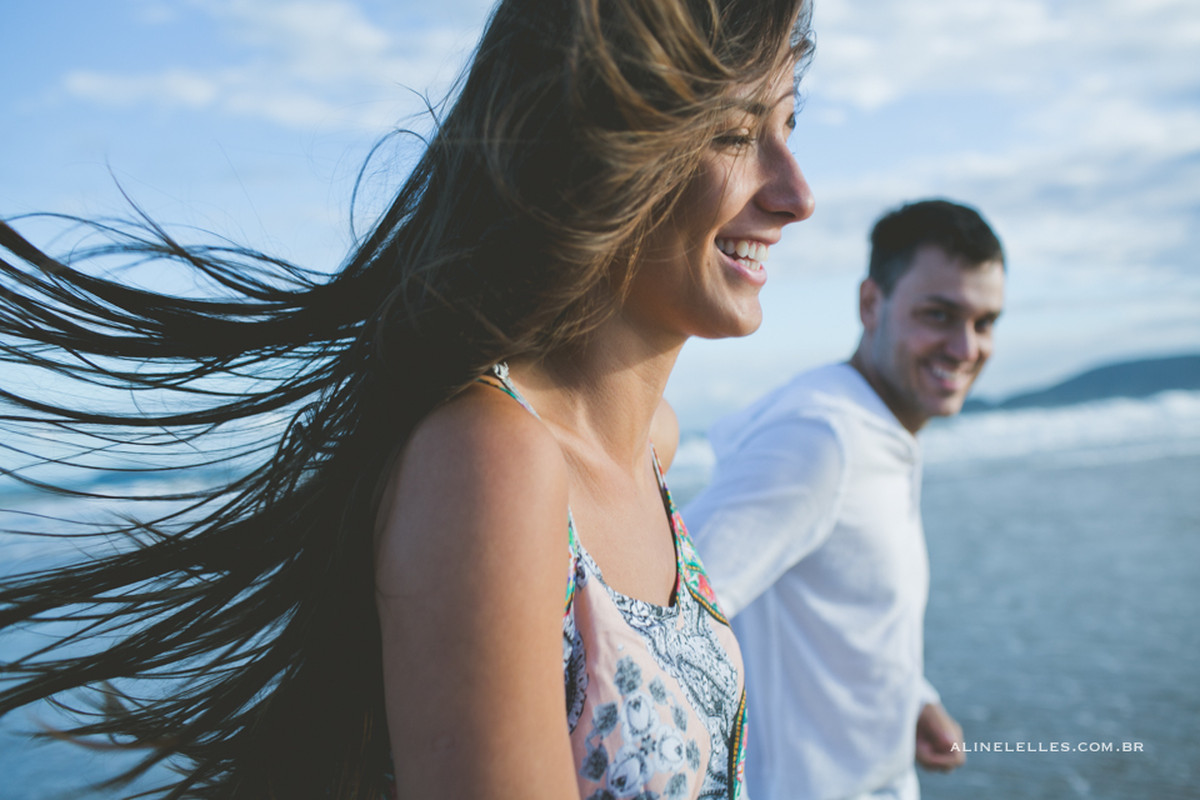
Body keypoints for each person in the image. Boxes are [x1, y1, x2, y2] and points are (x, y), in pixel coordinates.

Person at [0, 0, 816, 798]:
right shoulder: (492, 463)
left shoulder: (648, 448)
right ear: (600, 151)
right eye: (735, 133)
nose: (796, 192)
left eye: (788, 123)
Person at [684, 199, 1006, 800]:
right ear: (870, 304)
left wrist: (912, 698)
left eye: (985, 322)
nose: (966, 348)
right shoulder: (821, 440)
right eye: (939, 315)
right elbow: (674, 615)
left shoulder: (875, 428)